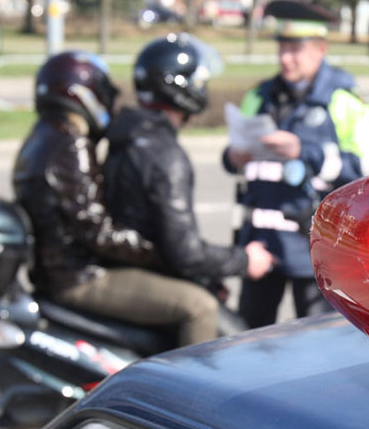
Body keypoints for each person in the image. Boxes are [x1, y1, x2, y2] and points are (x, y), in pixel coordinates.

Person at [13, 51, 230, 347]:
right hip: (79, 277)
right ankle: (188, 379)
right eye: (102, 91)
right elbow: (98, 231)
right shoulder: (70, 145)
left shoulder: (42, 139)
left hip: (56, 272)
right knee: (199, 307)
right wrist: (162, 256)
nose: (110, 101)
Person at [223, 0, 369, 328]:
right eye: (282, 48)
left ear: (320, 49)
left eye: (295, 50)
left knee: (316, 341)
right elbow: (233, 157)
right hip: (260, 244)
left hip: (314, 246)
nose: (285, 58)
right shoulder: (259, 96)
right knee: (249, 337)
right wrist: (232, 157)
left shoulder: (344, 102)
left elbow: (367, 169)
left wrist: (304, 151)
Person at [103, 33, 274, 326]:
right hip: (148, 273)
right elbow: (186, 252)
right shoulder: (166, 155)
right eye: (198, 82)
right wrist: (245, 260)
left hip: (138, 266)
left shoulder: (127, 134)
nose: (202, 88)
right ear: (179, 87)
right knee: (220, 324)